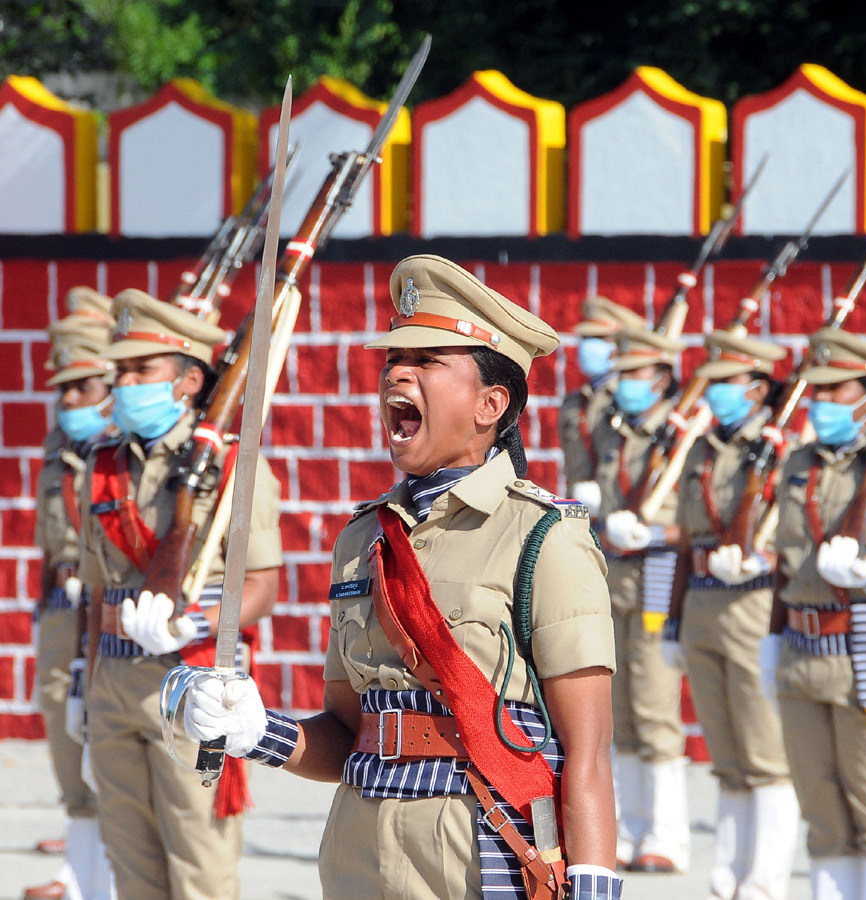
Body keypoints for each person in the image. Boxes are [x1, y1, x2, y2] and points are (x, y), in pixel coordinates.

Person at [180, 254, 622, 900]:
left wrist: (593, 884)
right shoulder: (363, 540)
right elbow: (344, 733)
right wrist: (256, 728)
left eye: (426, 360)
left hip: (482, 850)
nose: (398, 373)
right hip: (360, 848)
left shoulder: (544, 538)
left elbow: (587, 749)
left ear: (489, 404)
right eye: (394, 360)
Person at [77, 289, 283, 900]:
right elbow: (95, 589)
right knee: (133, 872)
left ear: (190, 380)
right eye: (120, 371)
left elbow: (262, 588)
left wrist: (192, 623)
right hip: (114, 684)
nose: (125, 382)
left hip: (190, 683)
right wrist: (85, 685)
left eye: (142, 370)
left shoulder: (235, 468)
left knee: (200, 873)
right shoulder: (106, 462)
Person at [766, 327, 866, 899]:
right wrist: (772, 639)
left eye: (840, 390)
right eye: (820, 390)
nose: (824, 401)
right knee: (822, 804)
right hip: (802, 650)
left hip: (865, 650)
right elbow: (785, 563)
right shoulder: (800, 462)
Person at [669, 329, 798, 899]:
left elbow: (799, 541)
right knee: (724, 745)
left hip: (754, 602)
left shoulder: (784, 454)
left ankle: (766, 875)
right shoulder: (701, 449)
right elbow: (681, 542)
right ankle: (729, 866)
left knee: (763, 748)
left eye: (727, 384)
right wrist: (673, 618)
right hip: (701, 600)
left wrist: (761, 559)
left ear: (757, 389)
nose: (715, 395)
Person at [26, 289, 119, 900]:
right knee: (63, 724)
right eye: (62, 386)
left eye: (81, 384)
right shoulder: (61, 443)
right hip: (62, 606)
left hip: (111, 605)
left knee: (107, 737)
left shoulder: (121, 447)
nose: (67, 400)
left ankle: (106, 872)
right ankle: (80, 868)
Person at [592, 326, 690, 873]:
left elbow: (693, 525)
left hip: (656, 577)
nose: (625, 384)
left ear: (661, 378)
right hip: (614, 578)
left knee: (654, 709)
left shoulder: (679, 435)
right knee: (620, 713)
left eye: (635, 374)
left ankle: (668, 834)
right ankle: (629, 829)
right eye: (621, 374)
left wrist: (651, 534)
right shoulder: (616, 432)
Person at [559, 296, 646, 514]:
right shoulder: (574, 403)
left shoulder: (635, 400)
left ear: (621, 345)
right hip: (581, 515)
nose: (589, 346)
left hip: (626, 516)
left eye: (599, 338)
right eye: (586, 337)